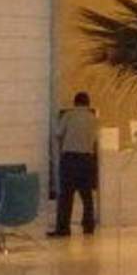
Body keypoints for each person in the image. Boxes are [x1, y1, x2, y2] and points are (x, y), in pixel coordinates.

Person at [49, 92, 99, 237]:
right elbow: (95, 139)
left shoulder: (69, 115)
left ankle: (63, 229)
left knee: (66, 195)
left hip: (70, 158)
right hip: (87, 159)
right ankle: (88, 227)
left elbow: (58, 133)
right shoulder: (93, 119)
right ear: (88, 103)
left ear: (75, 102)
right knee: (87, 196)